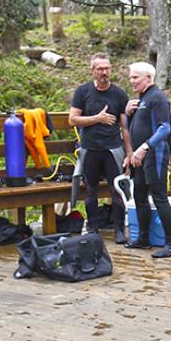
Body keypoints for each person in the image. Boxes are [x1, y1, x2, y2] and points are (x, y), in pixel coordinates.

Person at [68, 52, 131, 243]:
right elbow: (72, 119)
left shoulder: (119, 94)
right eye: (100, 69)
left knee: (117, 190)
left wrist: (129, 153)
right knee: (90, 190)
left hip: (113, 149)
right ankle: (93, 228)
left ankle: (119, 229)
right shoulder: (83, 92)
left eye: (107, 68)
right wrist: (98, 118)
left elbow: (125, 127)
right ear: (92, 71)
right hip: (90, 149)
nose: (104, 72)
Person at [123, 61, 171, 258]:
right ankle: (144, 239)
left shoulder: (158, 97)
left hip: (155, 154)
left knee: (159, 197)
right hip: (139, 157)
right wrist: (128, 114)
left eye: (135, 77)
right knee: (139, 196)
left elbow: (165, 128)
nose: (132, 81)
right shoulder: (141, 99)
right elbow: (133, 128)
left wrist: (145, 148)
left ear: (148, 77)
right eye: (130, 77)